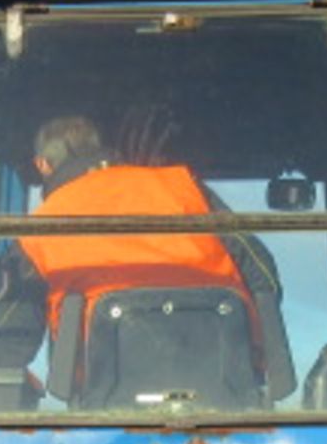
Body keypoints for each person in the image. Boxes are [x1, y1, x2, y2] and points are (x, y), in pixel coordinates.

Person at [15, 115, 288, 400]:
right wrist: (259, 355)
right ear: (101, 151)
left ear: (42, 165)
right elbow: (261, 271)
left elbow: (12, 329)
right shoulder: (182, 186)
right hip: (228, 383)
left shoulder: (37, 227)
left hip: (100, 396)